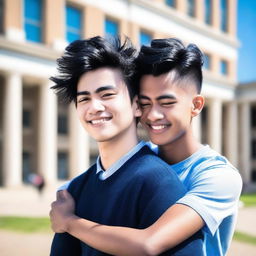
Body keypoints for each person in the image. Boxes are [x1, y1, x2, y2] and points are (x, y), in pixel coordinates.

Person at [50, 38, 242, 256]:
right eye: (146, 103)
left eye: (167, 103)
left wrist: (69, 222)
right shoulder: (130, 165)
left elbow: (150, 243)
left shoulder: (218, 176)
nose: (153, 115)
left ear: (196, 105)